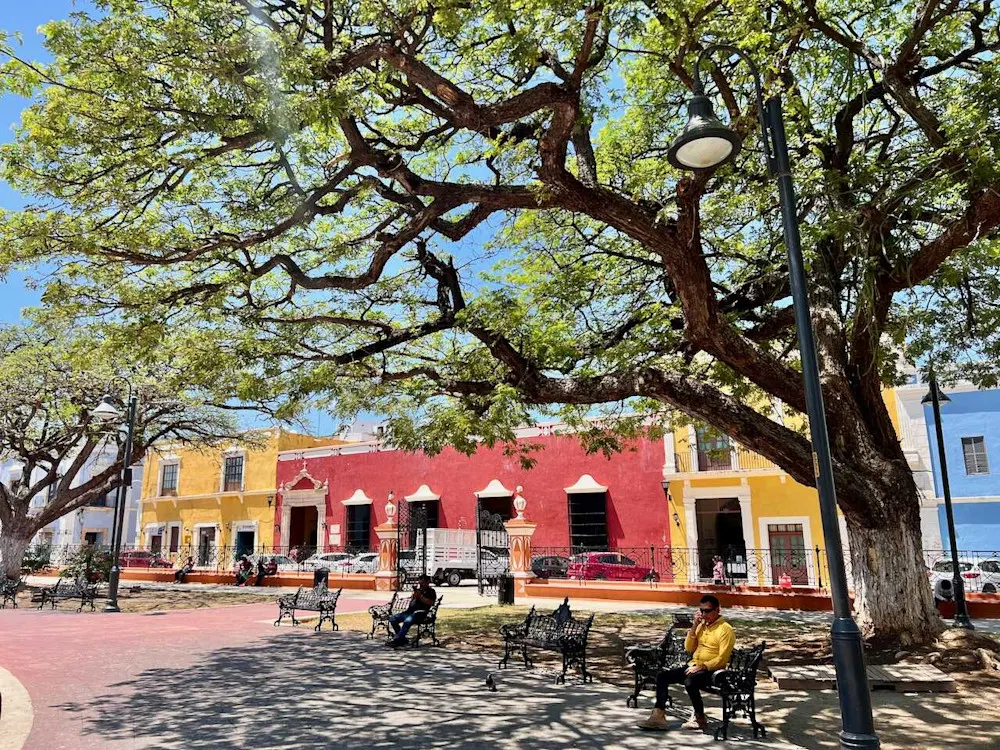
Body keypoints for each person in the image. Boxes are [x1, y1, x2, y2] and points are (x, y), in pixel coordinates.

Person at [638, 594, 736, 732]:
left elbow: (722, 659)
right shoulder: (702, 626)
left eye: (707, 611)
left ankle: (700, 718)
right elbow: (689, 647)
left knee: (690, 681)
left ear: (717, 610)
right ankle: (658, 716)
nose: (704, 614)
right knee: (662, 676)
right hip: (694, 666)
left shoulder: (725, 629)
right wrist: (694, 626)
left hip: (713, 671)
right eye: (701, 611)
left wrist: (702, 666)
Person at [388, 574, 436, 647]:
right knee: (393, 619)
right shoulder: (419, 591)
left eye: (422, 583)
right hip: (409, 612)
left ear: (427, 582)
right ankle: (402, 639)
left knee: (408, 620)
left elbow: (431, 602)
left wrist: (420, 597)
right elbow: (412, 602)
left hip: (420, 613)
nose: (421, 585)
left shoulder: (431, 591)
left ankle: (397, 640)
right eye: (420, 583)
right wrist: (414, 596)